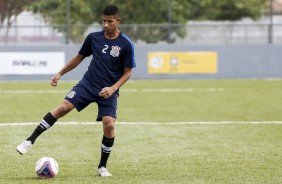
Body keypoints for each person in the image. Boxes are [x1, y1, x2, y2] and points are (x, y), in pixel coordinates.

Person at [16, 5, 136, 177]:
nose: (106, 25)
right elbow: (79, 57)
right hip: (88, 84)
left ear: (118, 21)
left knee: (109, 125)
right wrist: (60, 73)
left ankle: (102, 166)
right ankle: (29, 141)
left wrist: (113, 88)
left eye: (110, 21)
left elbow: (128, 72)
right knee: (62, 108)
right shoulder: (93, 38)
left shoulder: (126, 44)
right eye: (103, 21)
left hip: (108, 91)